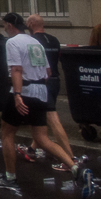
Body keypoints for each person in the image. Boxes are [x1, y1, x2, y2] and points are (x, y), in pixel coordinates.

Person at [0, 12, 93, 198]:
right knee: (42, 137)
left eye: (4, 25)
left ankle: (10, 177)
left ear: (9, 26)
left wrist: (17, 94)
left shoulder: (13, 42)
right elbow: (47, 72)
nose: (4, 29)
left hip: (23, 92)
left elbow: (16, 69)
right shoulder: (35, 42)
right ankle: (75, 167)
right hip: (40, 92)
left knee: (7, 133)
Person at [25, 13, 74, 161]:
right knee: (41, 118)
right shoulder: (54, 39)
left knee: (52, 118)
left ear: (32, 24)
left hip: (43, 82)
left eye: (28, 24)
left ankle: (70, 159)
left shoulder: (32, 41)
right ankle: (32, 149)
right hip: (55, 81)